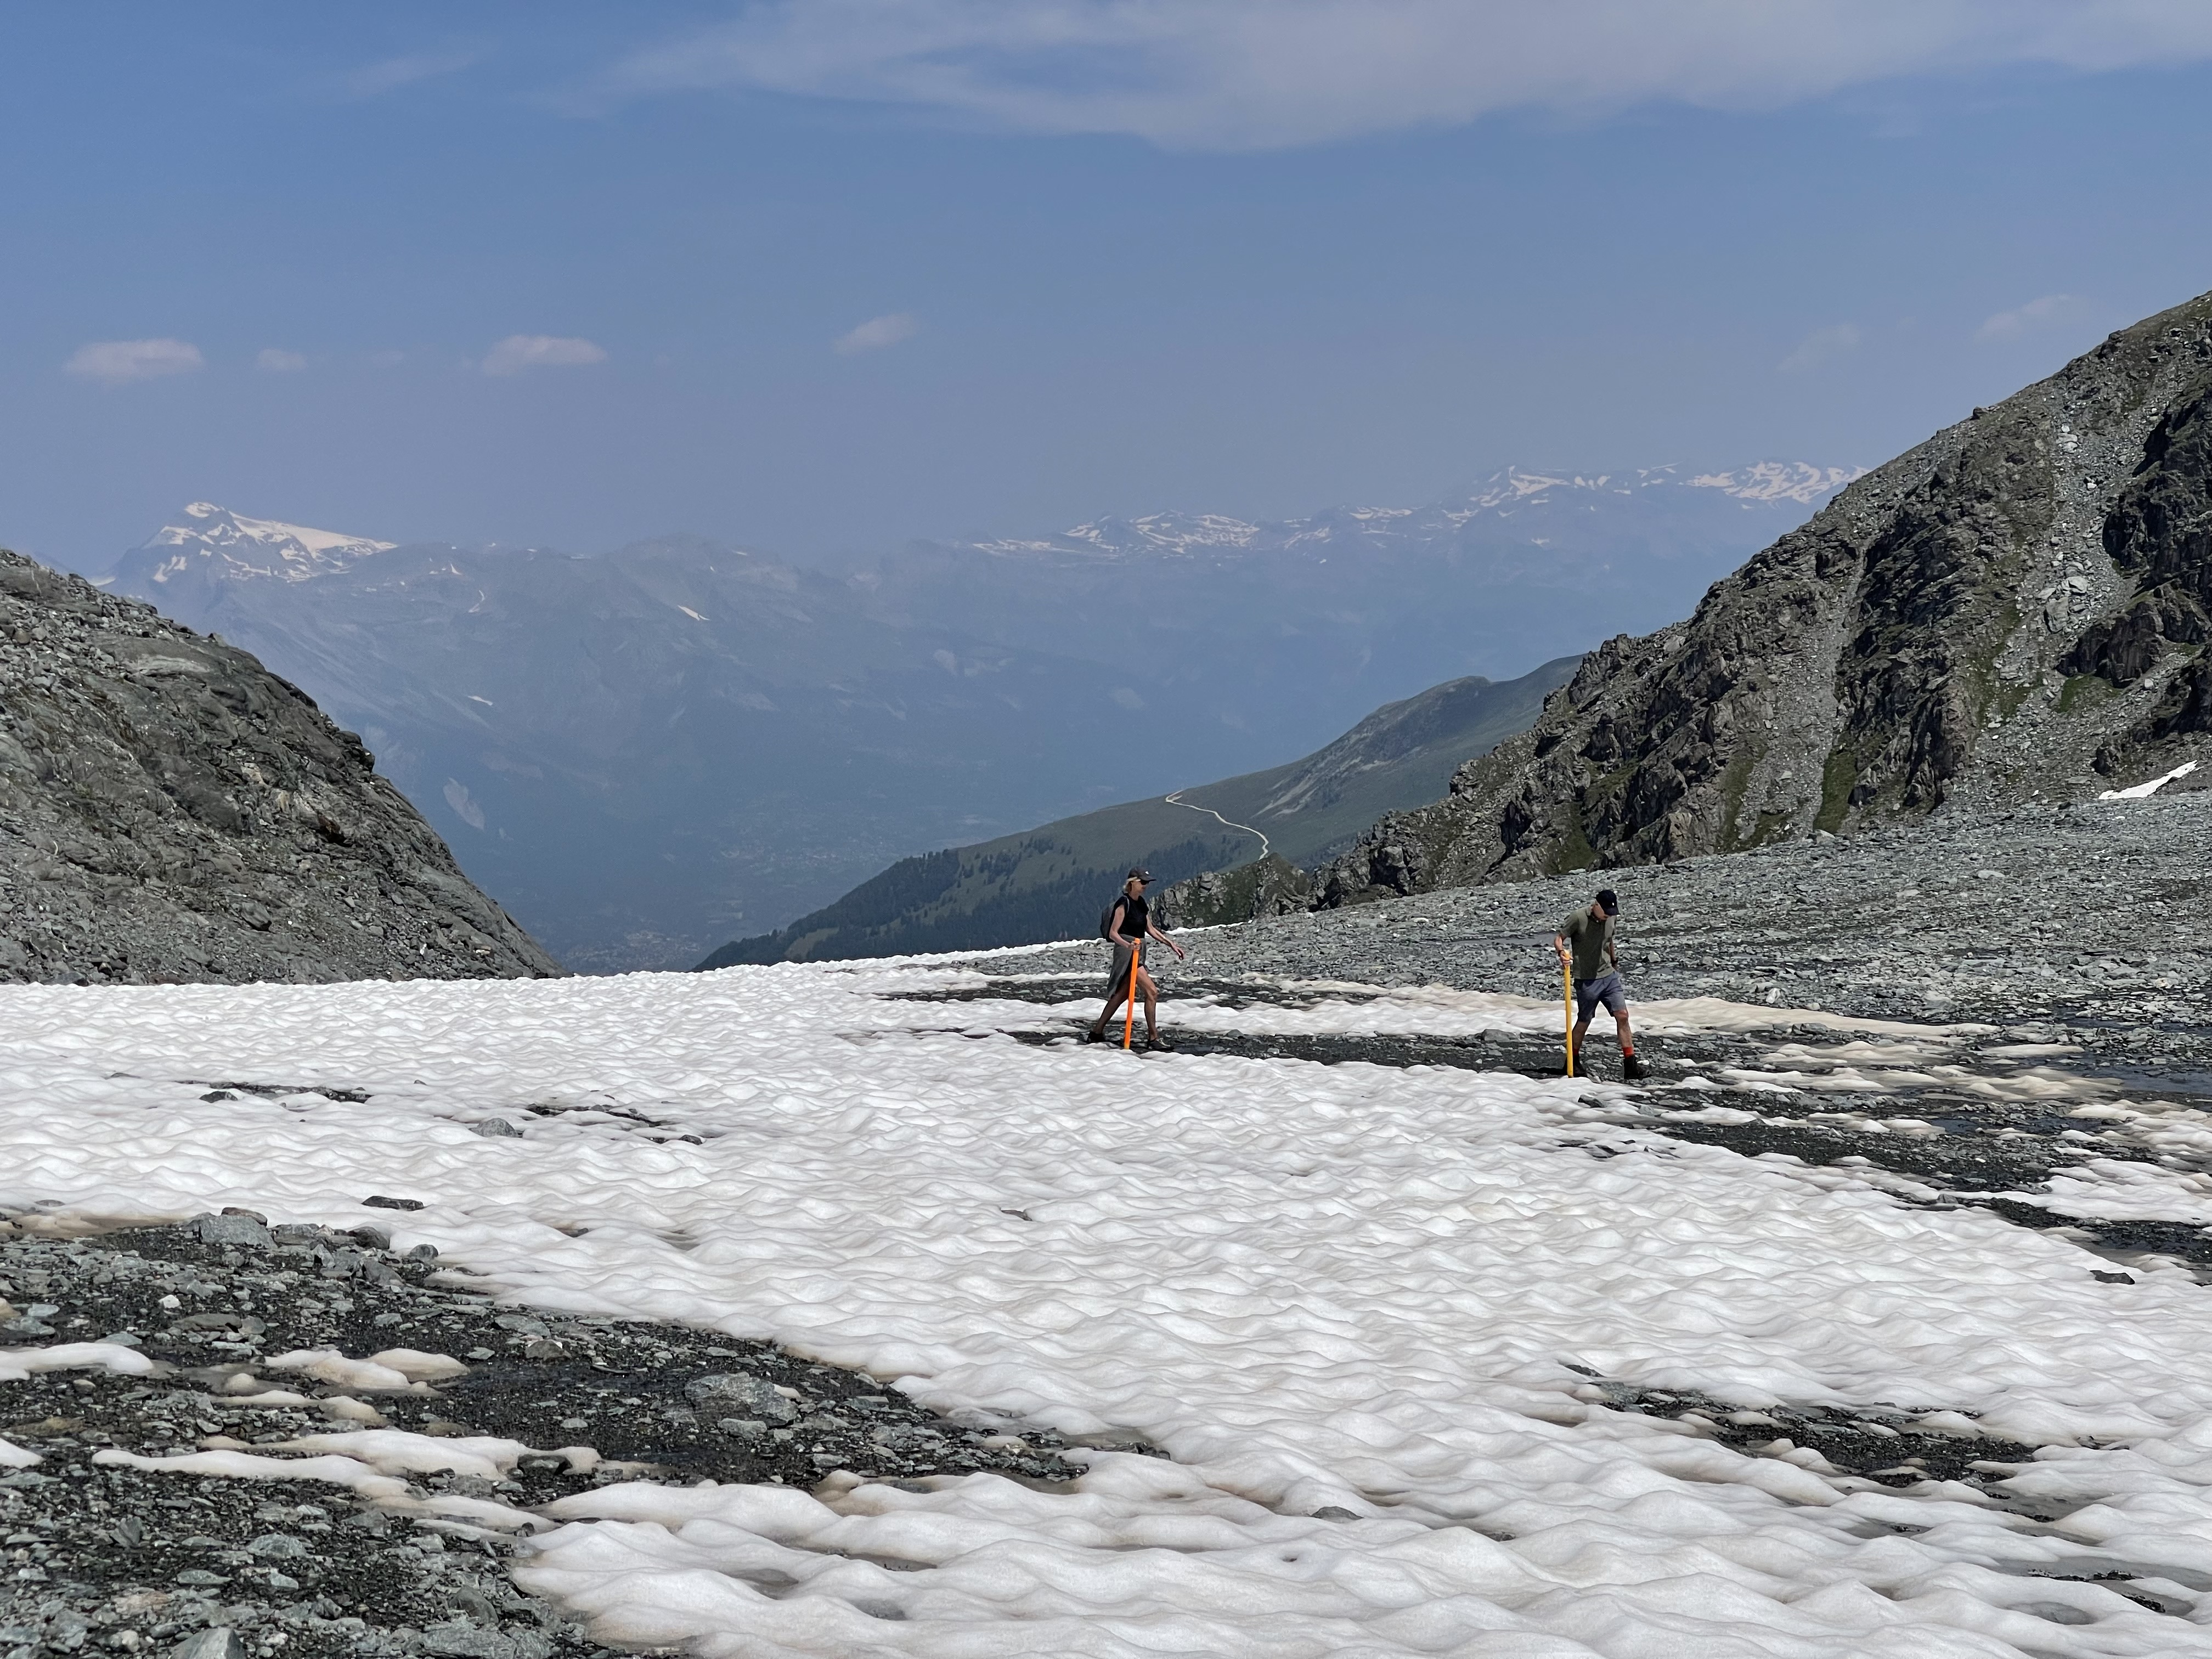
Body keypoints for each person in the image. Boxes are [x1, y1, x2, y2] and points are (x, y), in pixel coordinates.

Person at [1087, 867, 1187, 1049]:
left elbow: (1150, 929)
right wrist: (1128, 946)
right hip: (1127, 954)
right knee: (1152, 992)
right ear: (1132, 883)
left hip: (1139, 950)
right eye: (1143, 882)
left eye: (1147, 883)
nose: (1146, 886)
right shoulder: (1123, 903)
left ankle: (1096, 1033)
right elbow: (1113, 933)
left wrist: (1170, 944)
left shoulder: (1141, 903)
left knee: (1122, 994)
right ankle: (1153, 1039)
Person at [1554, 888, 1645, 1079]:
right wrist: (1562, 954)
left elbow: (1609, 939)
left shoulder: (1611, 917)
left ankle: (1630, 1065)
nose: (1608, 917)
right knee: (1585, 1020)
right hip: (1586, 979)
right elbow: (1559, 939)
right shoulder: (1578, 918)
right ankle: (1572, 1060)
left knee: (1623, 1015)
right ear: (1596, 905)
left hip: (1609, 976)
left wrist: (1614, 960)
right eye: (1605, 913)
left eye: (1611, 913)